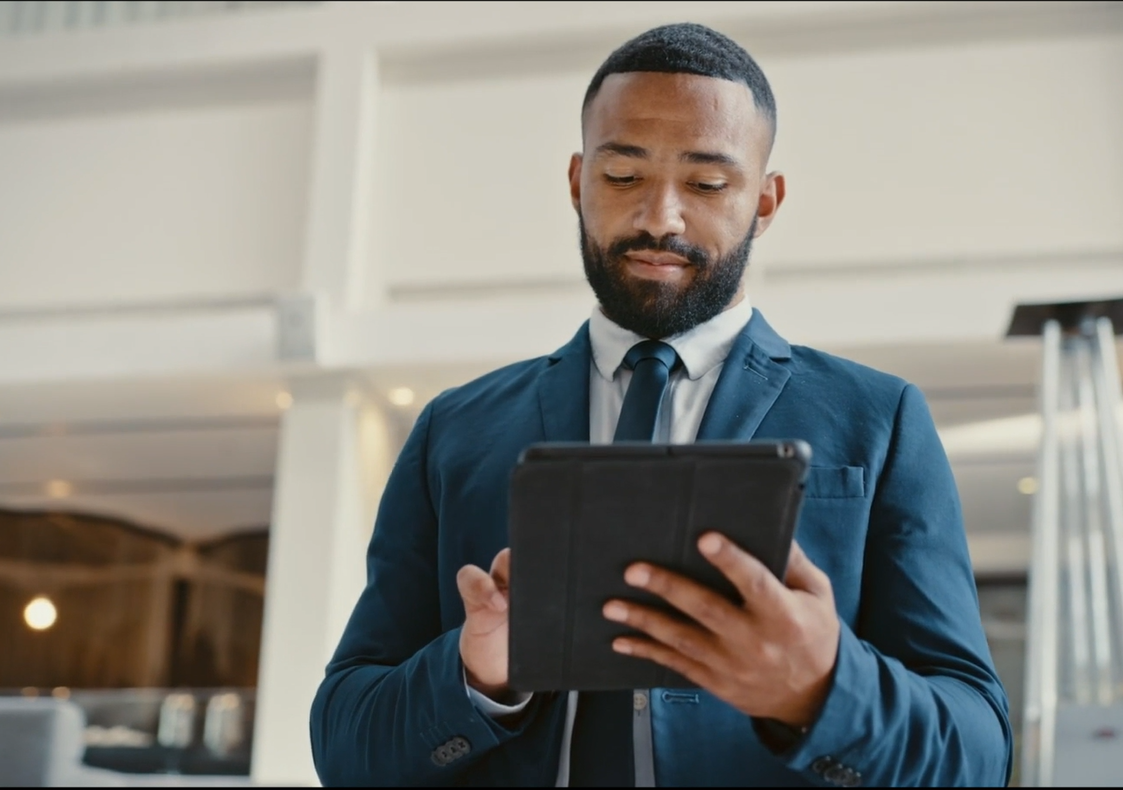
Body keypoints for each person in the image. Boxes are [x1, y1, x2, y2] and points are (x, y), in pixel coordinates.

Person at [310, 23, 1011, 787]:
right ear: (577, 180)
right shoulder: (457, 429)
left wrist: (824, 688)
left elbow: (977, 752)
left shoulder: (880, 419)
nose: (660, 218)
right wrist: (474, 675)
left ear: (766, 201)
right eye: (622, 177)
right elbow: (347, 745)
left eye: (707, 185)